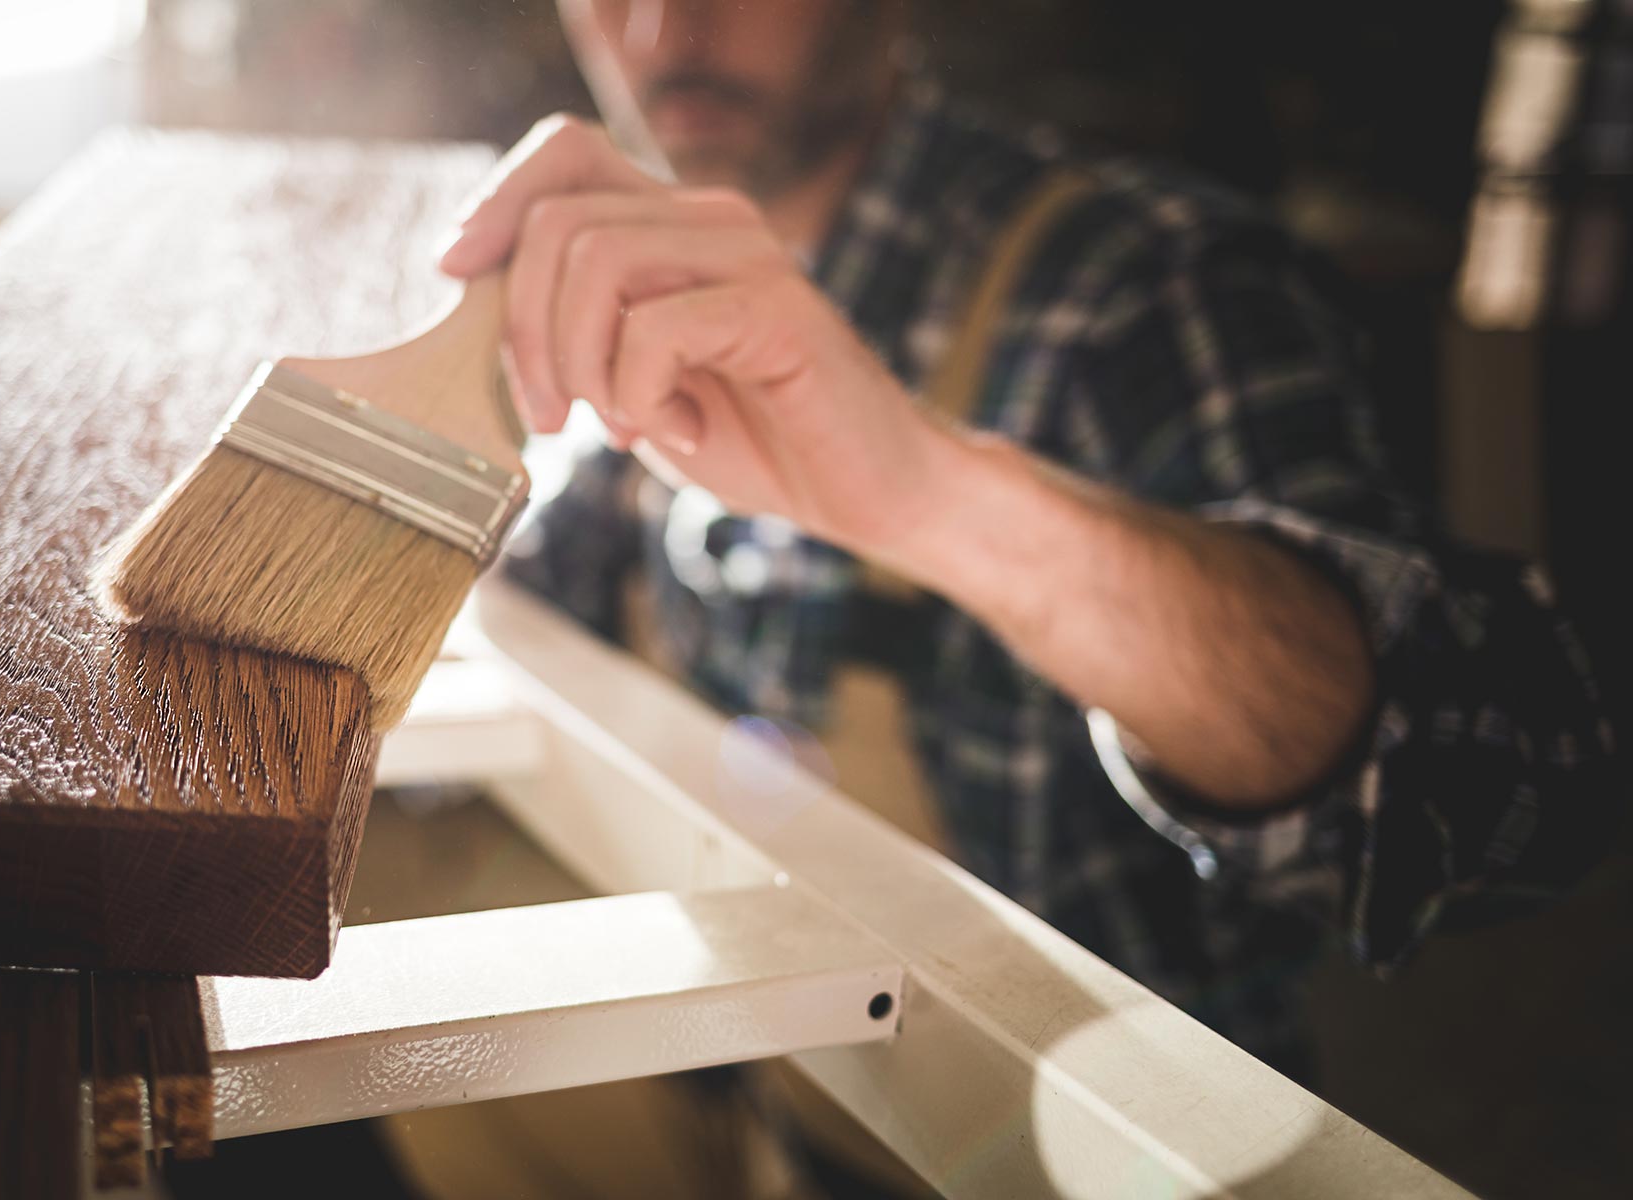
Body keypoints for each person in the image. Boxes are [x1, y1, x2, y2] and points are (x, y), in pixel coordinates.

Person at [389, 0, 1620, 1194]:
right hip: (765, 1112)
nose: (662, 35)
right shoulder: (640, 290)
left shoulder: (1138, 284)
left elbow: (1507, 781)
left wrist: (937, 496)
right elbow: (539, 601)